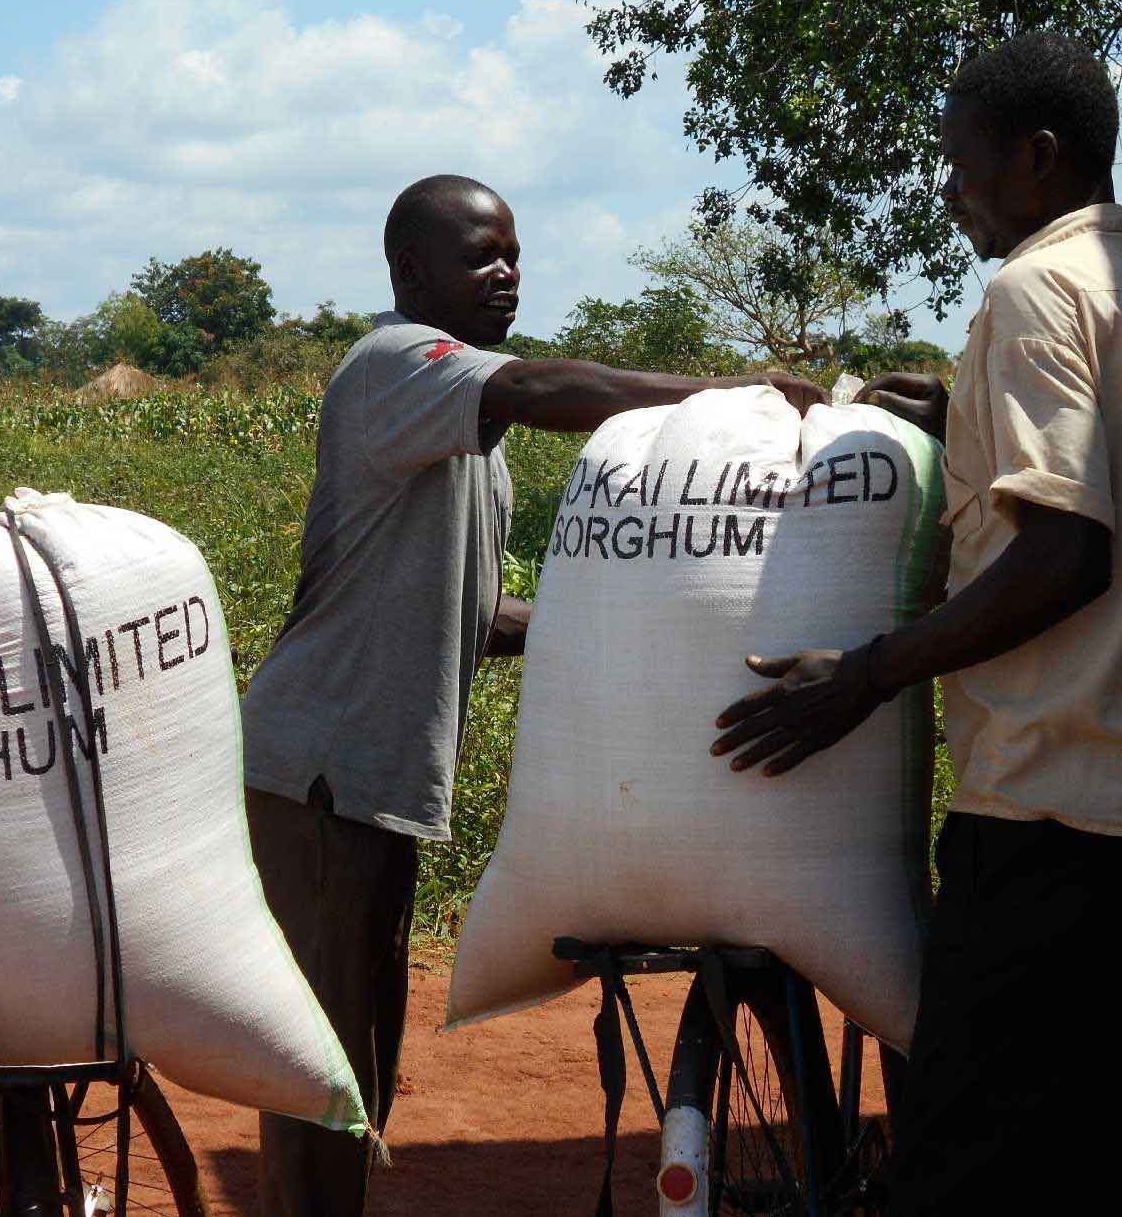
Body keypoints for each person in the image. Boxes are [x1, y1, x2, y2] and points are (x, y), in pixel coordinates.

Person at [241, 172, 826, 1215]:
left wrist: (636, 623)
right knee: (325, 1064)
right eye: (480, 256)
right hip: (324, 766)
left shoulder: (464, 431)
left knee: (361, 1046)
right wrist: (729, 397)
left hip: (367, 777)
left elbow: (477, 611)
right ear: (411, 271)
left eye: (512, 254)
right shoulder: (398, 365)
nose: (505, 273)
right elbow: (547, 390)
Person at [708, 33, 1122, 1214]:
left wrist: (867, 675)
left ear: (1035, 156)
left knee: (963, 1165)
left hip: (1048, 819)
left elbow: (1064, 555)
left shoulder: (1033, 290)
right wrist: (960, 414)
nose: (948, 187)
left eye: (959, 160)